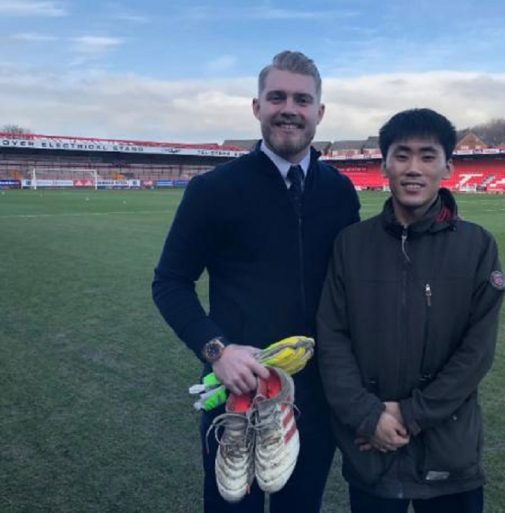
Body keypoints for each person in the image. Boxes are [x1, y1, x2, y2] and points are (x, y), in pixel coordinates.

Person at [152, 50, 360, 513]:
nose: (289, 109)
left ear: (320, 112)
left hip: (313, 398)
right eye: (277, 97)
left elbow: (351, 291)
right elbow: (170, 282)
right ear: (256, 106)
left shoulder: (340, 193)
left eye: (302, 100)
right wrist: (217, 351)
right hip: (236, 397)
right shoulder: (213, 190)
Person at [317, 108, 505, 513]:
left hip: (448, 455)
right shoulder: (351, 245)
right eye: (401, 155)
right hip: (372, 453)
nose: (414, 168)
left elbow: (476, 353)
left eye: (427, 156)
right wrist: (368, 416)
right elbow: (332, 339)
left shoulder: (478, 246)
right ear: (384, 165)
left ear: (448, 167)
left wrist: (410, 413)